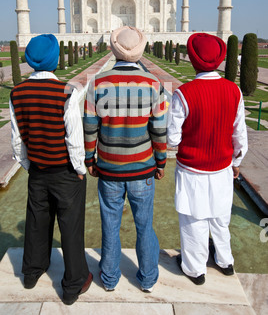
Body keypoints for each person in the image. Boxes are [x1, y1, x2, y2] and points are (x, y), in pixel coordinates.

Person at [10, 34, 92, 305]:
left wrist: (29, 164)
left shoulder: (17, 92)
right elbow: (73, 137)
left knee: (36, 221)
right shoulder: (67, 91)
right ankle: (73, 285)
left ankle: (32, 273)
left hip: (38, 172)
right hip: (66, 173)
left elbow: (17, 137)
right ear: (56, 60)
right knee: (70, 227)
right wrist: (79, 168)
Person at [84, 26, 168, 292]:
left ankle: (109, 279)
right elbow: (159, 129)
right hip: (143, 169)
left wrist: (90, 159)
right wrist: (161, 161)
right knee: (144, 226)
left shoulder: (97, 83)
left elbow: (89, 127)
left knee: (110, 225)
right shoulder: (154, 84)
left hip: (108, 169)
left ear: (113, 48)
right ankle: (148, 279)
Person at [167, 32, 248, 285]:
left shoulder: (184, 94)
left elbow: (172, 139)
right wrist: (236, 163)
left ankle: (195, 269)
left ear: (192, 60)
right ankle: (225, 262)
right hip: (222, 168)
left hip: (192, 170)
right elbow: (239, 134)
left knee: (194, 220)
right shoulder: (233, 91)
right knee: (220, 217)